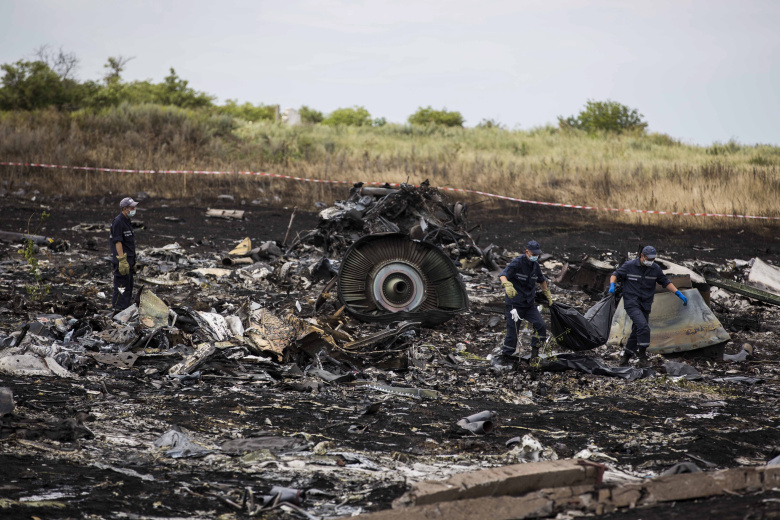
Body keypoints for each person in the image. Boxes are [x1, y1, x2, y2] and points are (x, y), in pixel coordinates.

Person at [609, 245, 688, 367]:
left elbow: (665, 281)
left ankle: (625, 358)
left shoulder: (655, 269)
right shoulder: (630, 266)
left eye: (653, 259)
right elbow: (615, 275)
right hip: (632, 302)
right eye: (649, 258)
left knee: (637, 331)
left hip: (645, 304)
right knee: (643, 327)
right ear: (642, 256)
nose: (651, 261)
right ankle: (642, 356)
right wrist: (612, 285)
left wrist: (678, 293)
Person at [498, 240, 553, 363]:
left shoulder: (535, 265)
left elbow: (542, 280)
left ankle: (535, 353)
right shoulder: (517, 262)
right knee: (513, 333)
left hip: (529, 304)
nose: (535, 256)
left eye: (537, 255)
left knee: (541, 325)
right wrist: (507, 285)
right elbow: (503, 275)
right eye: (533, 254)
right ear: (527, 252)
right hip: (515, 304)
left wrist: (547, 293)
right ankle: (506, 357)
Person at [110, 197, 138, 311]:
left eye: (134, 207)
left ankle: (125, 310)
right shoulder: (118, 222)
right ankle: (118, 310)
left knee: (128, 287)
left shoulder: (127, 221)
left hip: (129, 261)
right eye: (132, 208)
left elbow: (129, 243)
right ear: (125, 209)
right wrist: (122, 260)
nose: (134, 209)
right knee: (121, 287)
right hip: (122, 261)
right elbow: (118, 242)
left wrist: (133, 261)